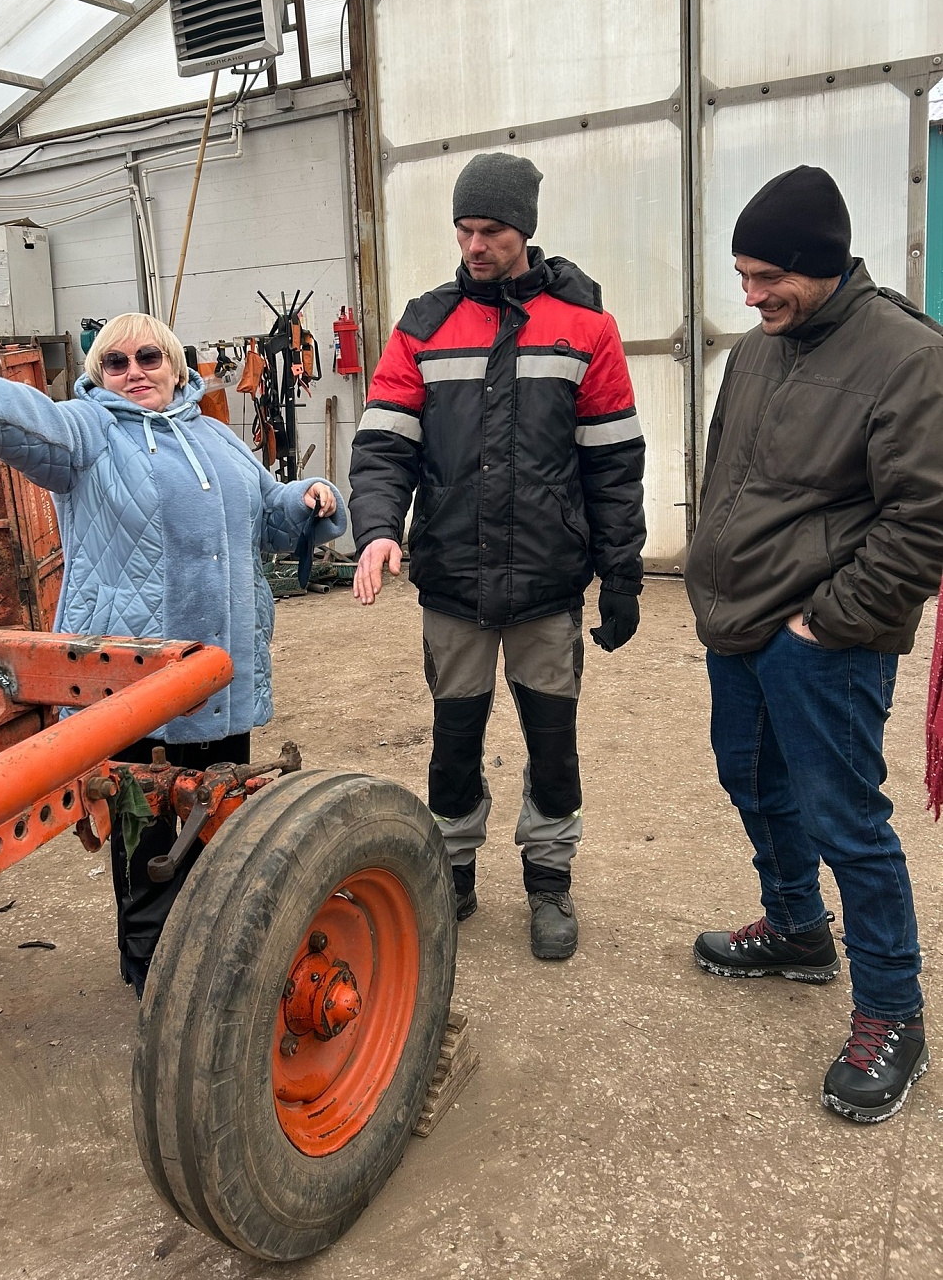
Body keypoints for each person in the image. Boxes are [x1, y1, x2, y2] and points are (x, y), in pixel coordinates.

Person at [0, 313, 345, 995]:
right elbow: (21, 419)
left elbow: (269, 514)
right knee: (146, 837)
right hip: (135, 684)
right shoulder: (87, 434)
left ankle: (205, 959)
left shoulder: (216, 437)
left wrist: (308, 498)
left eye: (148, 357)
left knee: (219, 822)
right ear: (98, 375)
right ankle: (150, 974)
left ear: (175, 365)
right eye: (115, 363)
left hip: (221, 674)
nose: (134, 371)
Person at [684, 165, 943, 1123]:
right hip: (739, 622)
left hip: (825, 640)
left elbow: (925, 519)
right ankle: (797, 928)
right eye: (742, 278)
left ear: (822, 262)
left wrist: (823, 622)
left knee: (847, 823)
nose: (751, 298)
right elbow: (726, 473)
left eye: (767, 278)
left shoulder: (908, 357)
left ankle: (892, 1012)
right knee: (750, 781)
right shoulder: (760, 350)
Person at [349, 152, 646, 960]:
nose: (474, 246)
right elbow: (383, 447)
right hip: (452, 578)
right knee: (453, 739)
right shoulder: (423, 326)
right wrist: (378, 527)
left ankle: (549, 878)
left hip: (548, 581)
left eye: (491, 231)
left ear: (524, 230)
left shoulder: (585, 327)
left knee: (552, 740)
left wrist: (621, 573)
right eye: (463, 229)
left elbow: (613, 464)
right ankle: (452, 871)